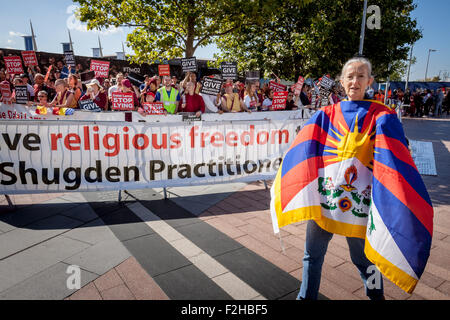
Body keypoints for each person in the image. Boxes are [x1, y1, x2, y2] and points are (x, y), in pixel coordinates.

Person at [292, 57, 388, 300]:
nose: (355, 81)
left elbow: (396, 154)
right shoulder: (325, 114)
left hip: (360, 205)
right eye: (350, 76)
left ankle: (377, 297)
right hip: (325, 200)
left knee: (365, 261)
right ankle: (306, 298)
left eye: (360, 76)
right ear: (342, 81)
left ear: (370, 81)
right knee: (311, 256)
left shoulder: (382, 116)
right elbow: (305, 148)